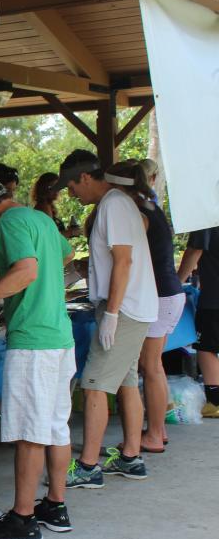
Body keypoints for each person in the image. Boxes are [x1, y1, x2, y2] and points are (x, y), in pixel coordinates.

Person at [0, 174, 77, 539]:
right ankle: (55, 507)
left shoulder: (9, 222)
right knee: (55, 426)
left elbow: (26, 271)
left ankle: (23, 518)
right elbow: (66, 253)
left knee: (30, 433)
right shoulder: (38, 218)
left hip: (33, 340)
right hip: (59, 335)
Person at [59, 150, 158, 487]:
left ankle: (87, 466)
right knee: (127, 382)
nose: (72, 194)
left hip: (126, 308)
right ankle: (130, 456)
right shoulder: (117, 203)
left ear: (85, 178)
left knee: (94, 385)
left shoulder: (113, 204)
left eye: (72, 187)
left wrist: (112, 313)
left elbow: (123, 262)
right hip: (132, 306)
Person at [108, 162, 184, 451]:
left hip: (162, 294)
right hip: (169, 293)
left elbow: (127, 258)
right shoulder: (150, 206)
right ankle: (158, 430)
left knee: (149, 366)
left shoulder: (138, 213)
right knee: (155, 366)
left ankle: (153, 435)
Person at [178, 226, 219, 417]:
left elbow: (195, 250)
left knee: (206, 348)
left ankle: (215, 401)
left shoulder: (205, 220)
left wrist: (177, 283)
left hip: (214, 299)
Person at [32, 172, 81, 239]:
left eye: (58, 187)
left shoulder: (48, 206)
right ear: (43, 188)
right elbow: (50, 237)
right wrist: (70, 232)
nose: (57, 190)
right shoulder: (43, 207)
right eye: (52, 187)